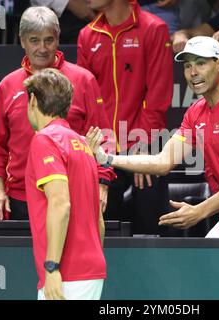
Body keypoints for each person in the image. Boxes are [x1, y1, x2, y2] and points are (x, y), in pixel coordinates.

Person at [86, 36, 219, 238]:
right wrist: (107, 159)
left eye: (201, 64)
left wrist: (200, 211)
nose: (193, 72)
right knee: (204, 272)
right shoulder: (196, 113)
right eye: (188, 66)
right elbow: (163, 161)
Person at [0, 6, 115, 222]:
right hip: (21, 198)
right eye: (34, 40)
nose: (43, 48)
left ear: (58, 38)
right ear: (22, 40)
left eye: (49, 40)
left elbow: (104, 139)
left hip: (74, 194)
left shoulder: (84, 80)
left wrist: (102, 184)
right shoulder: (7, 86)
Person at [77, 0, 174, 235]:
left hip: (145, 144)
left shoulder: (153, 29)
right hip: (103, 147)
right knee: (103, 231)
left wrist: (143, 144)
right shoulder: (87, 35)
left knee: (153, 230)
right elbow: (86, 99)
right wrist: (97, 149)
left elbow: (158, 95)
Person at [24, 68, 106, 300]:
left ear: (32, 101)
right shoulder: (82, 145)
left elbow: (60, 204)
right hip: (90, 269)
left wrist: (51, 268)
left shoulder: (45, 140)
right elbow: (98, 219)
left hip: (66, 273)